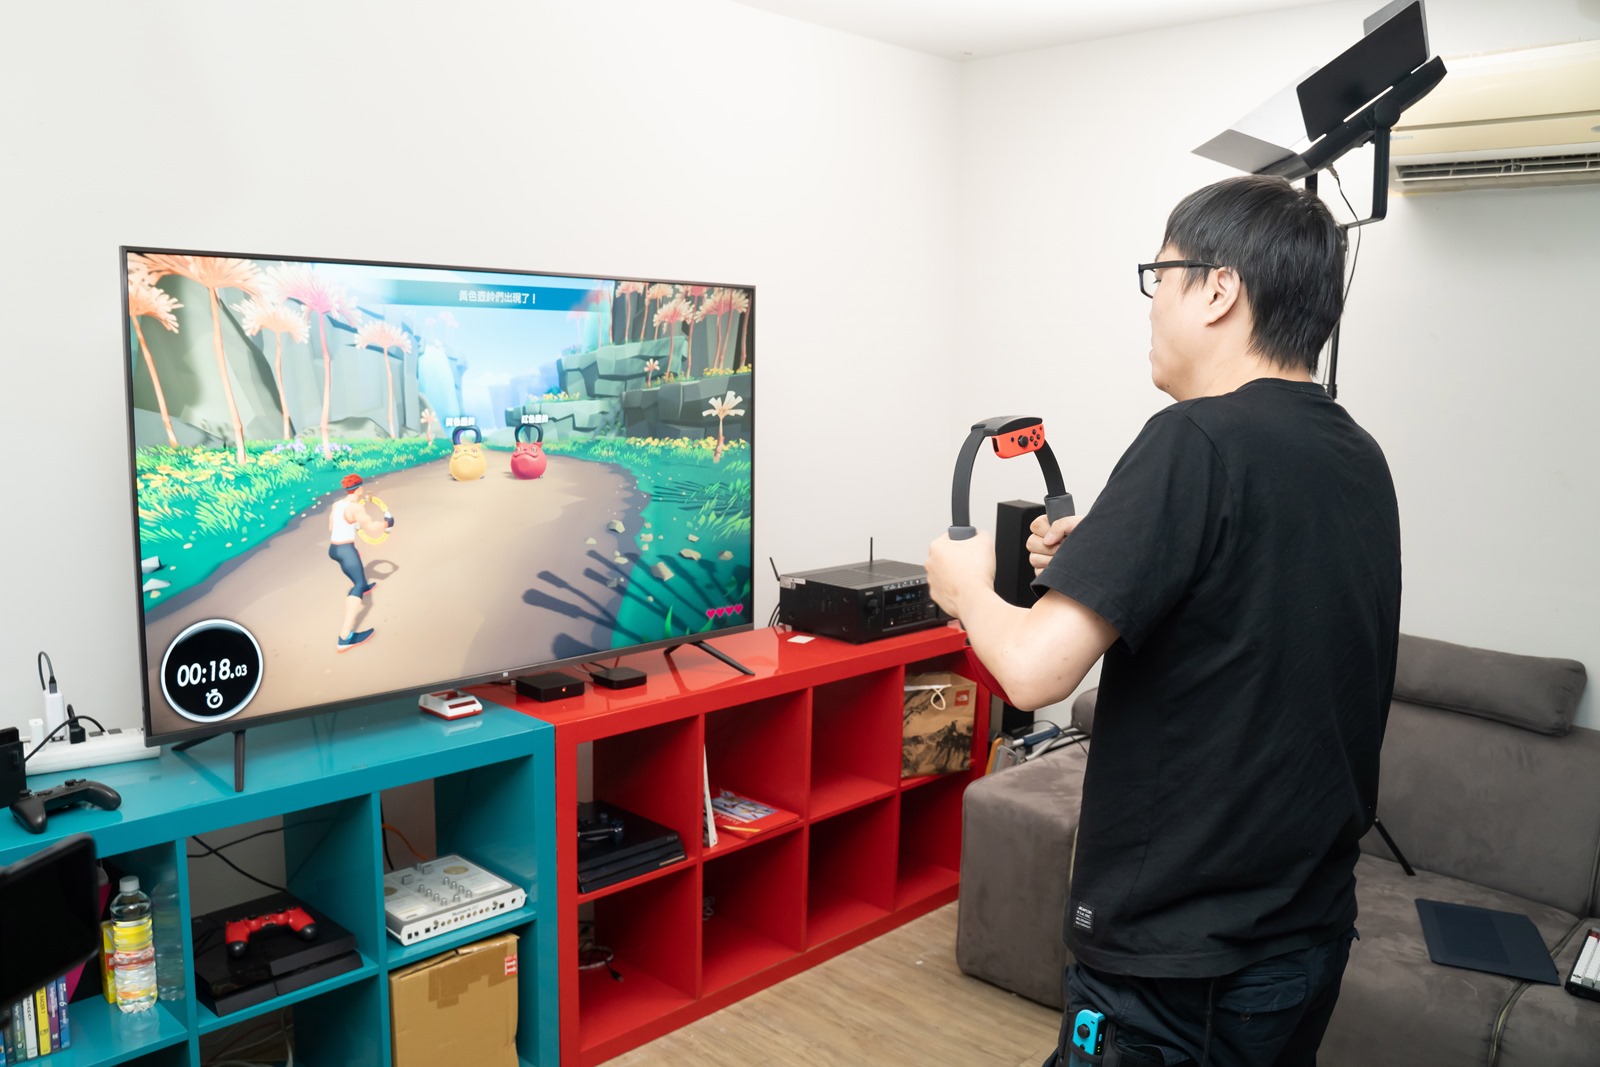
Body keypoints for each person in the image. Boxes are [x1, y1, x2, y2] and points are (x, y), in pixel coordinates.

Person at [926, 174, 1401, 1067]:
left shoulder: (1193, 439)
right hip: (1302, 945)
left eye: (1161, 275)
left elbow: (1030, 670)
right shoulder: (1356, 455)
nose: (1151, 305)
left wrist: (967, 588)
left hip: (1180, 971)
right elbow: (1253, 618)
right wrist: (1106, 561)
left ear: (1219, 290)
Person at [328, 472, 394, 652]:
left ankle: (363, 585)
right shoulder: (356, 508)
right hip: (345, 550)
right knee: (356, 585)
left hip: (334, 549)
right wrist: (387, 524)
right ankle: (345, 638)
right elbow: (371, 527)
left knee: (356, 567)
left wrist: (352, 525)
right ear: (360, 489)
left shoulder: (337, 504)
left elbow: (331, 527)